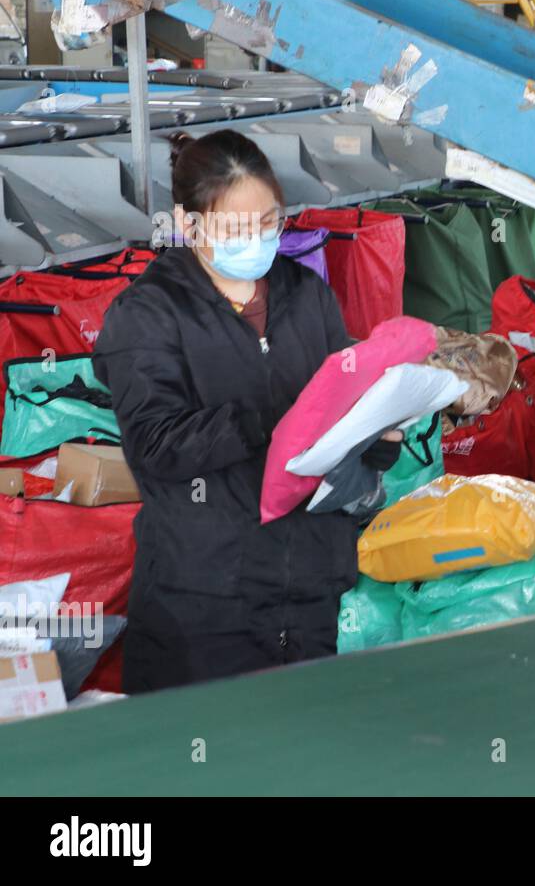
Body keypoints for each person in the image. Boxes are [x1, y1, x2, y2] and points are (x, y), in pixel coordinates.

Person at [93, 130, 401, 692]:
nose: (258, 240)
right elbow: (156, 445)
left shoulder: (307, 294)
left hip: (308, 586)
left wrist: (379, 432)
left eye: (270, 221)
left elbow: (347, 397)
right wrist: (269, 420)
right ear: (190, 226)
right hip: (206, 600)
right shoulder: (147, 316)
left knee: (300, 761)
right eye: (238, 227)